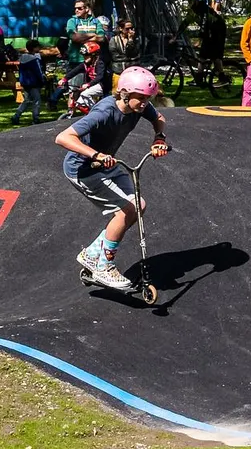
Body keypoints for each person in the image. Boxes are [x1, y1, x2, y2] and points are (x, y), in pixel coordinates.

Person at [57, 67, 169, 293]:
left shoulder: (139, 106)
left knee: (137, 206)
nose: (145, 103)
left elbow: (159, 118)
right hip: (84, 169)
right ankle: (104, 266)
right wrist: (95, 154)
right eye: (142, 98)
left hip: (108, 165)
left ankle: (92, 254)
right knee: (130, 209)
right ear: (125, 93)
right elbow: (63, 137)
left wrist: (159, 138)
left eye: (149, 98)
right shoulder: (104, 112)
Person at [10, 39, 47, 125]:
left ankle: (16, 115)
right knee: (37, 100)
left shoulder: (23, 58)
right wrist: (42, 80)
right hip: (34, 83)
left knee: (27, 100)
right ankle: (35, 118)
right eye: (38, 47)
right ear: (34, 48)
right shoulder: (34, 59)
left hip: (25, 82)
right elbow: (38, 71)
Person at [64, 0, 107, 71]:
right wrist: (93, 34)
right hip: (76, 61)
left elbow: (102, 38)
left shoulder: (96, 21)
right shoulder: (72, 21)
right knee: (76, 82)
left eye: (80, 8)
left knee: (93, 82)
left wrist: (81, 38)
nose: (77, 10)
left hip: (94, 61)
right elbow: (74, 37)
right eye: (75, 8)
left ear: (87, 9)